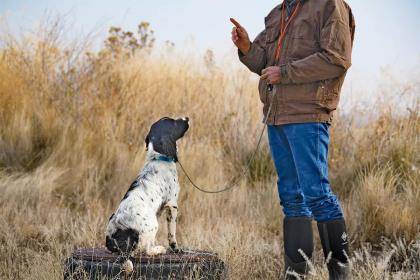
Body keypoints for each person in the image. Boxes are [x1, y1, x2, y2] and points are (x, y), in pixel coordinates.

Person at [231, 0, 355, 279]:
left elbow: (336, 58)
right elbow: (264, 62)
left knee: (317, 195)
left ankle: (340, 273)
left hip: (308, 114)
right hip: (277, 115)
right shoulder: (278, 12)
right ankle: (296, 273)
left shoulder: (329, 6)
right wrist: (247, 47)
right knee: (291, 197)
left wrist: (284, 73)